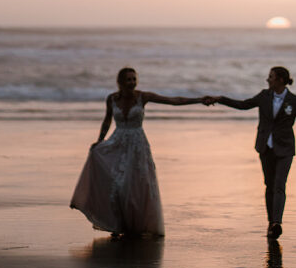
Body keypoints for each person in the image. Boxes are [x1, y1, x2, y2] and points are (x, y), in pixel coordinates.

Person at [70, 66, 207, 237]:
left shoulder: (143, 97)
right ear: (120, 82)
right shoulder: (112, 98)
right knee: (117, 184)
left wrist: (200, 100)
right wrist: (99, 141)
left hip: (137, 146)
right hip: (117, 142)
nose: (132, 83)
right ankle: (117, 224)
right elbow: (107, 121)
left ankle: (133, 226)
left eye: (134, 79)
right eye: (128, 80)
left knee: (135, 186)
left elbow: (174, 101)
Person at [207, 66, 296, 239]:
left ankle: (277, 222)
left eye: (271, 77)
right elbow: (243, 105)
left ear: (280, 80)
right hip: (265, 147)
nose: (267, 80)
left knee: (279, 185)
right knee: (269, 185)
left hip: (285, 149)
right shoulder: (264, 96)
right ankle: (271, 223)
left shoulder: (294, 101)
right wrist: (220, 99)